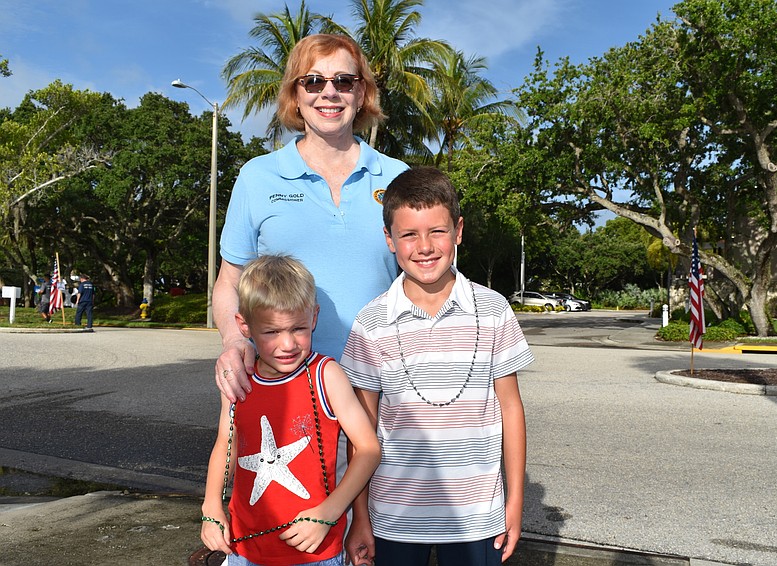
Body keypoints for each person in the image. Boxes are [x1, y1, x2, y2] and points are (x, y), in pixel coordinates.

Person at [339, 167, 534, 566]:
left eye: (438, 231)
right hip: (392, 519)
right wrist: (359, 516)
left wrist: (514, 502)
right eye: (409, 234)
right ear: (390, 240)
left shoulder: (495, 311)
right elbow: (361, 428)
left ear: (458, 231)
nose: (424, 246)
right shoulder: (370, 321)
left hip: (477, 519)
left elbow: (511, 410)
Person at [214, 34, 408, 403]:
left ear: (361, 92)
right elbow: (229, 282)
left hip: (385, 391)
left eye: (344, 81)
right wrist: (234, 340)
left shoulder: (398, 176)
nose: (329, 92)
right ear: (295, 95)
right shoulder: (257, 176)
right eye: (314, 81)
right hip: (285, 390)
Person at [201, 255, 381, 566]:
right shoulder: (238, 381)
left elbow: (368, 449)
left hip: (317, 554)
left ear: (314, 318)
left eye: (298, 328)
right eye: (272, 332)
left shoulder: (327, 375)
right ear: (244, 324)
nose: (287, 344)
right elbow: (225, 446)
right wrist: (211, 507)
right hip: (245, 552)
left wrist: (329, 512)